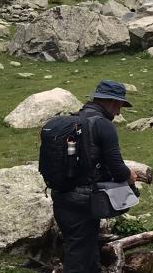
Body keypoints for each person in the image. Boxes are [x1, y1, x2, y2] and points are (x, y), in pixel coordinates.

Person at [51, 80, 137, 273]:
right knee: (80, 252)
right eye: (119, 106)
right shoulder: (103, 125)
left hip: (60, 193)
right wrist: (130, 175)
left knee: (79, 246)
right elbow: (116, 167)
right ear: (111, 102)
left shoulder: (72, 121)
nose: (119, 112)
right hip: (84, 198)